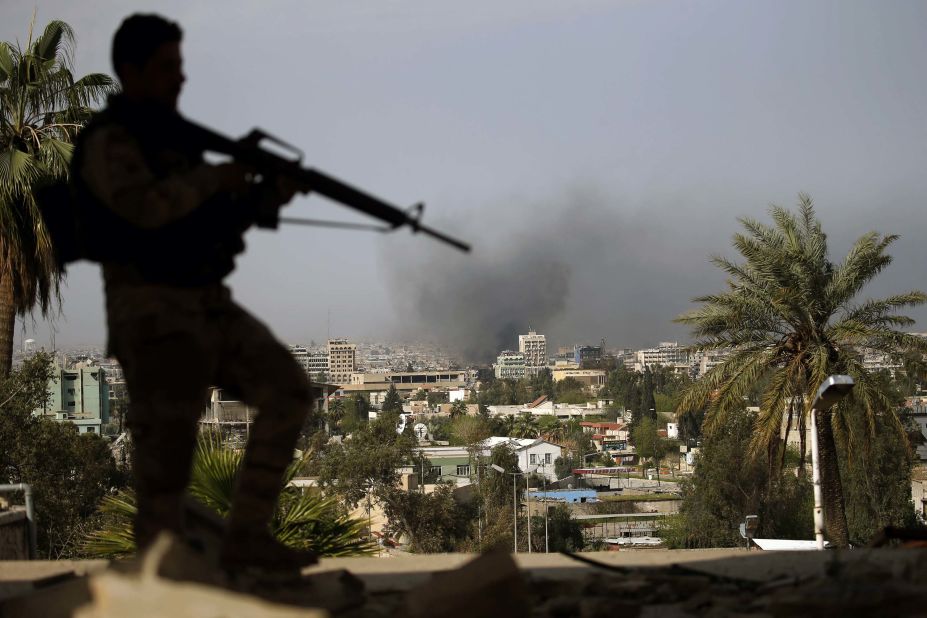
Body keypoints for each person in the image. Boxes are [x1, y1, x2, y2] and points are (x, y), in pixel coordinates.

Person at [71, 13, 315, 572]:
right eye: (165, 68)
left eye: (180, 67)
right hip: (153, 316)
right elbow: (142, 211)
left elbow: (214, 222)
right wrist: (219, 178)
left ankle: (247, 535)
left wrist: (265, 197)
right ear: (130, 71)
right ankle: (160, 575)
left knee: (288, 389)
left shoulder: (175, 145)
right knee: (167, 460)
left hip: (206, 304)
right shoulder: (111, 142)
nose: (179, 80)